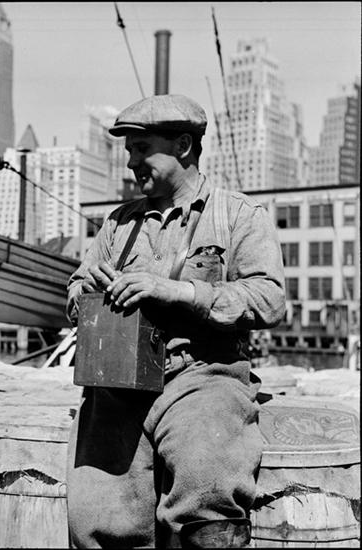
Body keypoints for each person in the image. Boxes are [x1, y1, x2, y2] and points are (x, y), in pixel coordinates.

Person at [65, 94, 285, 548]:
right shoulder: (118, 224)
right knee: (97, 518)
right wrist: (86, 293)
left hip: (204, 376)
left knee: (206, 492)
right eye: (129, 150)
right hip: (118, 385)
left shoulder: (238, 215)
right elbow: (74, 292)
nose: (131, 162)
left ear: (183, 146)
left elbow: (270, 300)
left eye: (142, 149)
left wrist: (180, 291)